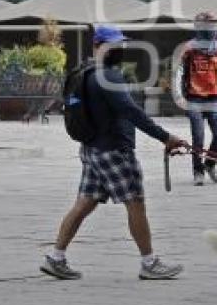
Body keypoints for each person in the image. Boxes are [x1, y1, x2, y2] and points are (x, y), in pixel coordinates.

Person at [40, 25, 187, 281]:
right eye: (112, 45)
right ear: (98, 46)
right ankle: (149, 263)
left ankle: (56, 257)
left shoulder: (85, 72)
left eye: (120, 45)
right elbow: (131, 112)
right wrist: (166, 138)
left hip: (92, 149)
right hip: (114, 151)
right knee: (135, 203)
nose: (119, 49)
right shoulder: (107, 76)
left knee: (84, 203)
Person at [177, 12, 217, 186]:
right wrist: (179, 96)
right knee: (198, 137)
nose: (212, 29)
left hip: (214, 98)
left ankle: (210, 164)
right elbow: (179, 73)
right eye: (209, 25)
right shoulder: (189, 48)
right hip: (194, 99)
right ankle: (198, 172)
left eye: (214, 25)